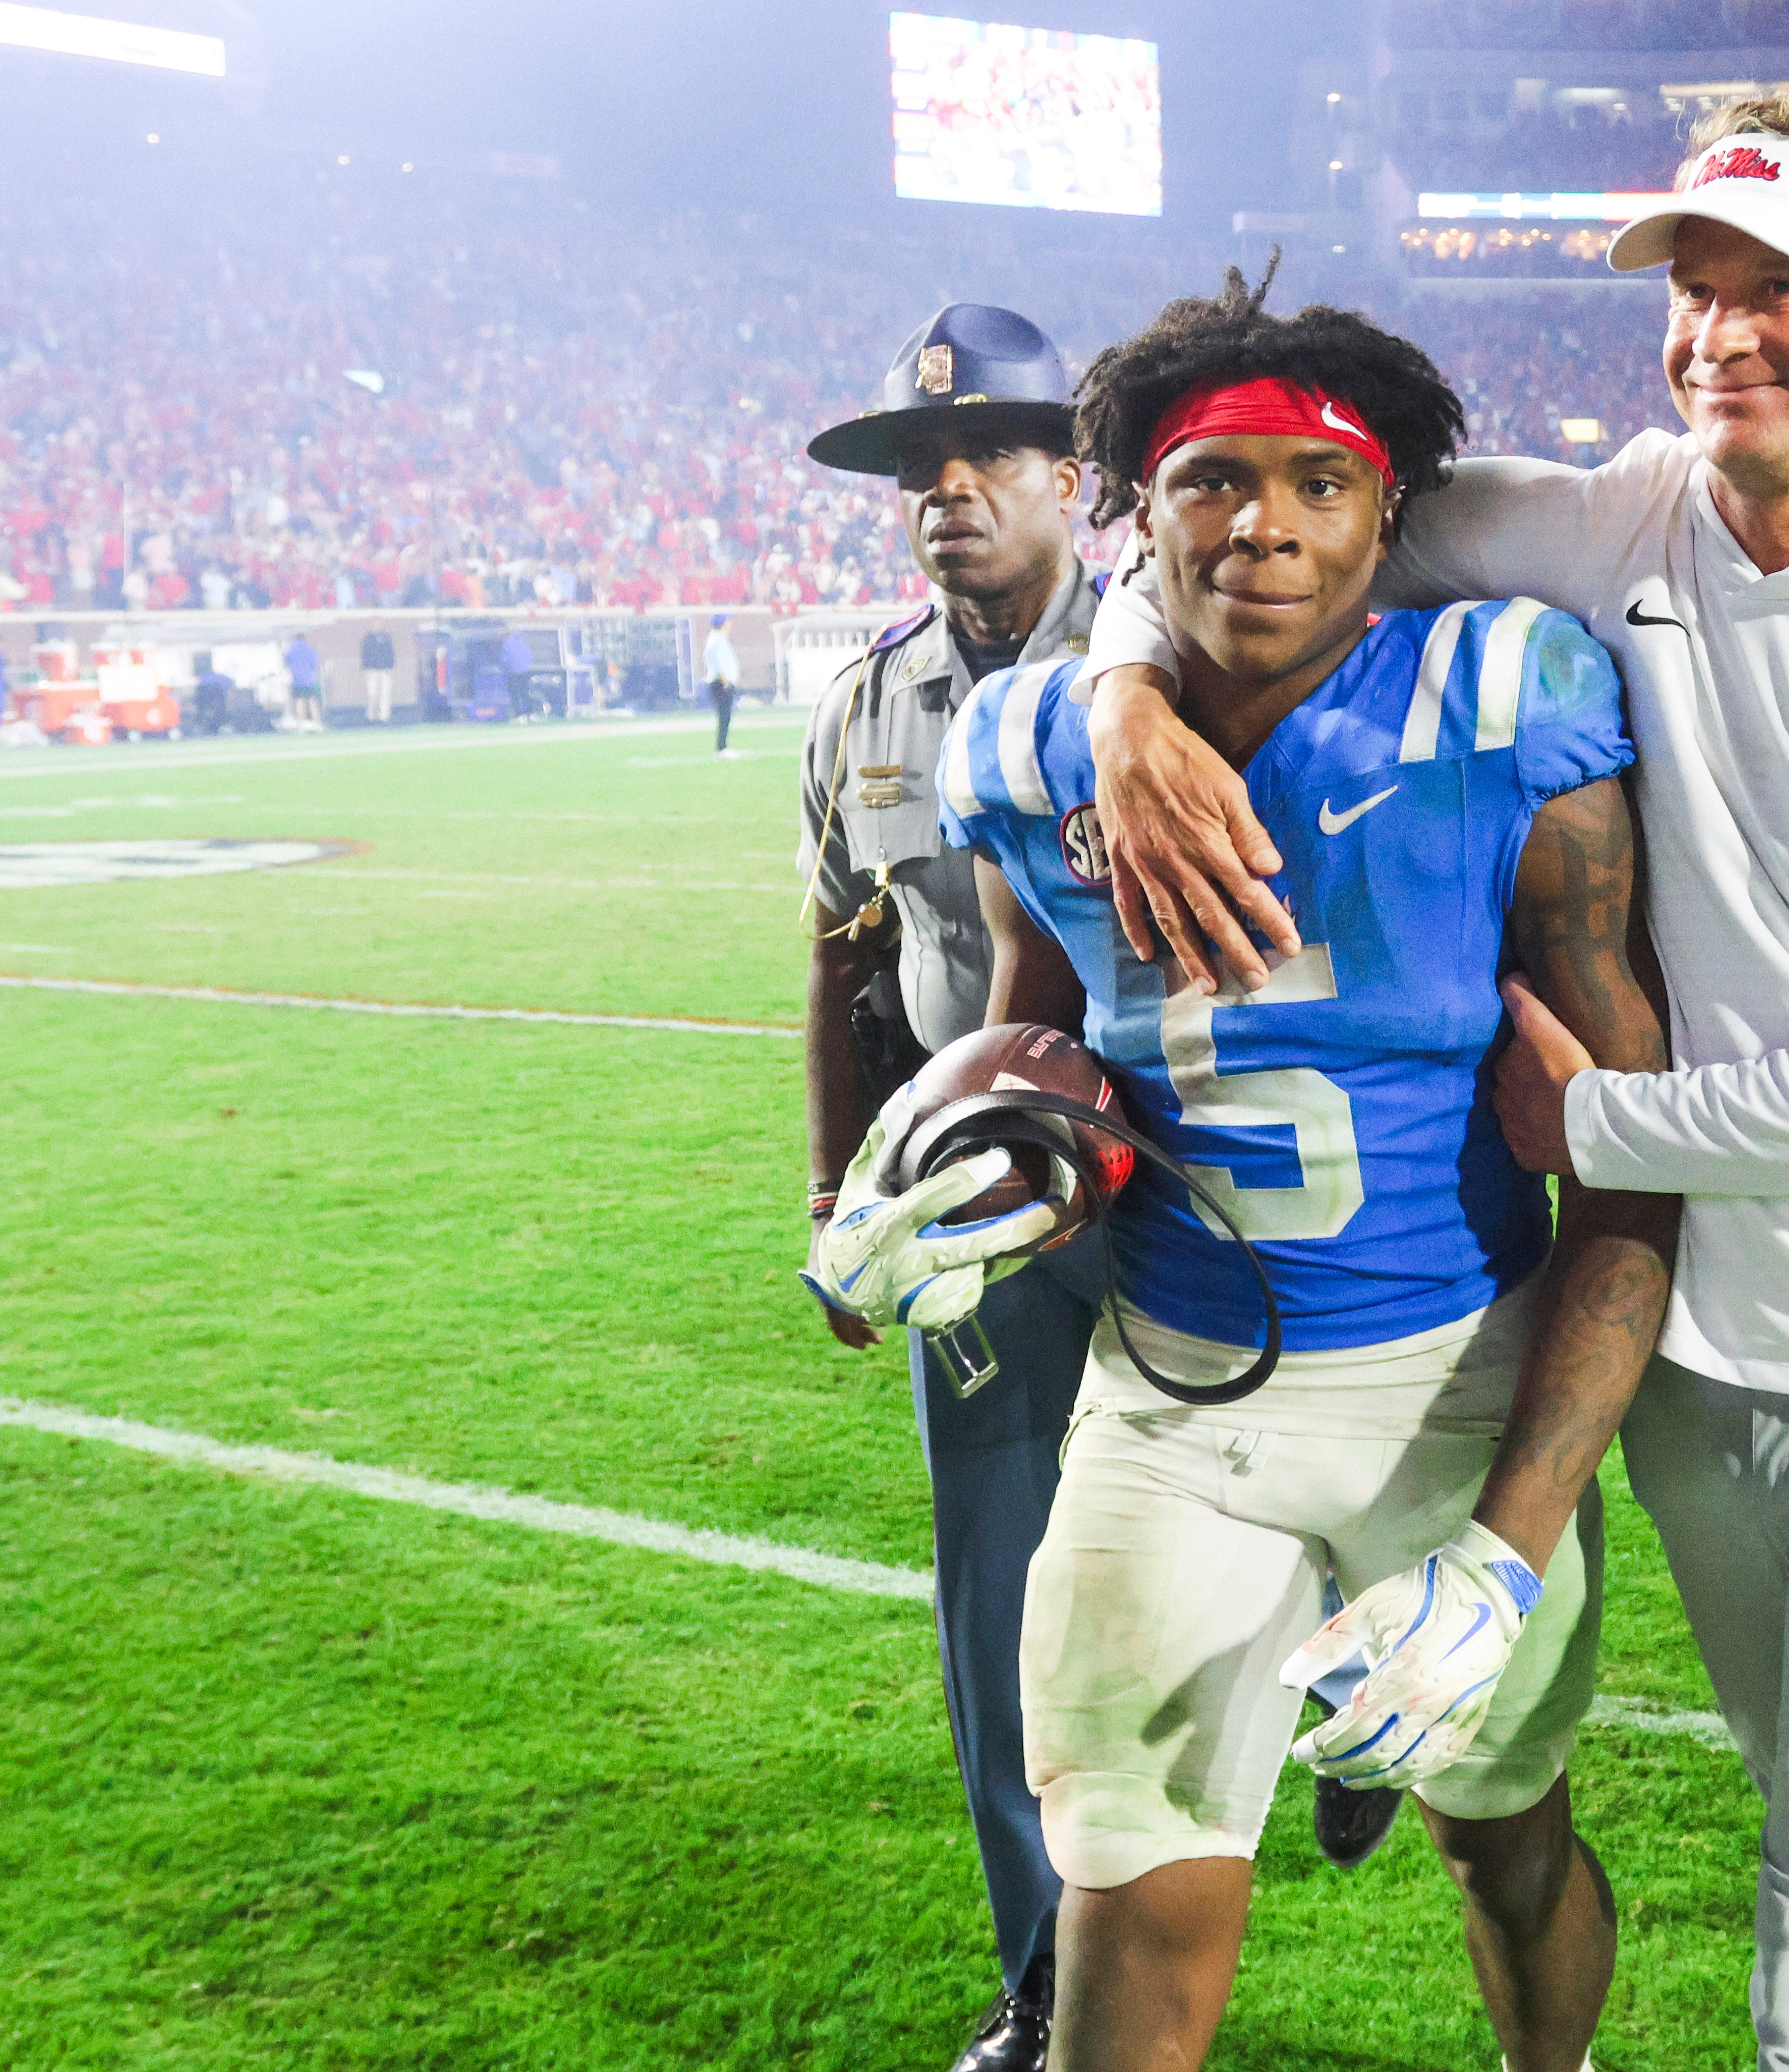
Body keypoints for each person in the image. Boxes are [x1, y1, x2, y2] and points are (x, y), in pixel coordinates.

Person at [1080, 94, 1789, 2071]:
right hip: (1705, 1378)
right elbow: (1282, 523)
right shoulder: (1623, 517)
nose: (1718, 333)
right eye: (1693, 292)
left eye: (1775, 292)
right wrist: (1128, 692)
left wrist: (1597, 1130)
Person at [933, 277, 1678, 2072]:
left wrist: (1505, 1549)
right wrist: (952, 1177)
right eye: (1207, 480)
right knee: (1126, 1883)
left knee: (1502, 1841)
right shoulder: (1034, 750)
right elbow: (1047, 1082)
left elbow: (1632, 1174)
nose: (1260, 521)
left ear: (1382, 517)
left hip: (1451, 1390)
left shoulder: (1505, 702)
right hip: (1176, 1402)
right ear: (1139, 512)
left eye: (1314, 484)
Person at [796, 301, 1118, 2072]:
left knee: (1236, 1540)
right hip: (969, 1229)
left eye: (991, 454)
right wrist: (837, 1197)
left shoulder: (1182, 653)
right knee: (993, 1600)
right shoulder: (863, 705)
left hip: (1172, 1200)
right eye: (923, 467)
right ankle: (1047, 1978)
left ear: (1074, 478)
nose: (950, 491)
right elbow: (844, 959)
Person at [701, 612, 742, 757]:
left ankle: (723, 747)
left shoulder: (717, 639)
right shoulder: (717, 640)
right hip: (721, 684)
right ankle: (722, 748)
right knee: (724, 716)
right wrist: (726, 682)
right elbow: (718, 663)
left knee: (726, 716)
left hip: (721, 683)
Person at [283, 633, 323, 730]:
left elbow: (286, 662)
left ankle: (300, 726)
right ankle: (317, 724)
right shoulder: (310, 649)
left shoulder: (292, 650)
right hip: (310, 680)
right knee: (312, 701)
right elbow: (315, 664)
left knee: (299, 702)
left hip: (297, 680)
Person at [360, 627, 396, 725]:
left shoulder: (386, 639)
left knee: (385, 694)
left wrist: (390, 665)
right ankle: (371, 717)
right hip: (372, 670)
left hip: (385, 670)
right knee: (372, 694)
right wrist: (367, 666)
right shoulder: (368, 640)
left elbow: (391, 653)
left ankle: (384, 717)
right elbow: (365, 654)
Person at [499, 628, 534, 722]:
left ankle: (519, 715)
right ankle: (530, 714)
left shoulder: (507, 645)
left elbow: (504, 661)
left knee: (515, 695)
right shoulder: (525, 645)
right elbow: (529, 658)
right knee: (526, 694)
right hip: (525, 673)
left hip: (513, 674)